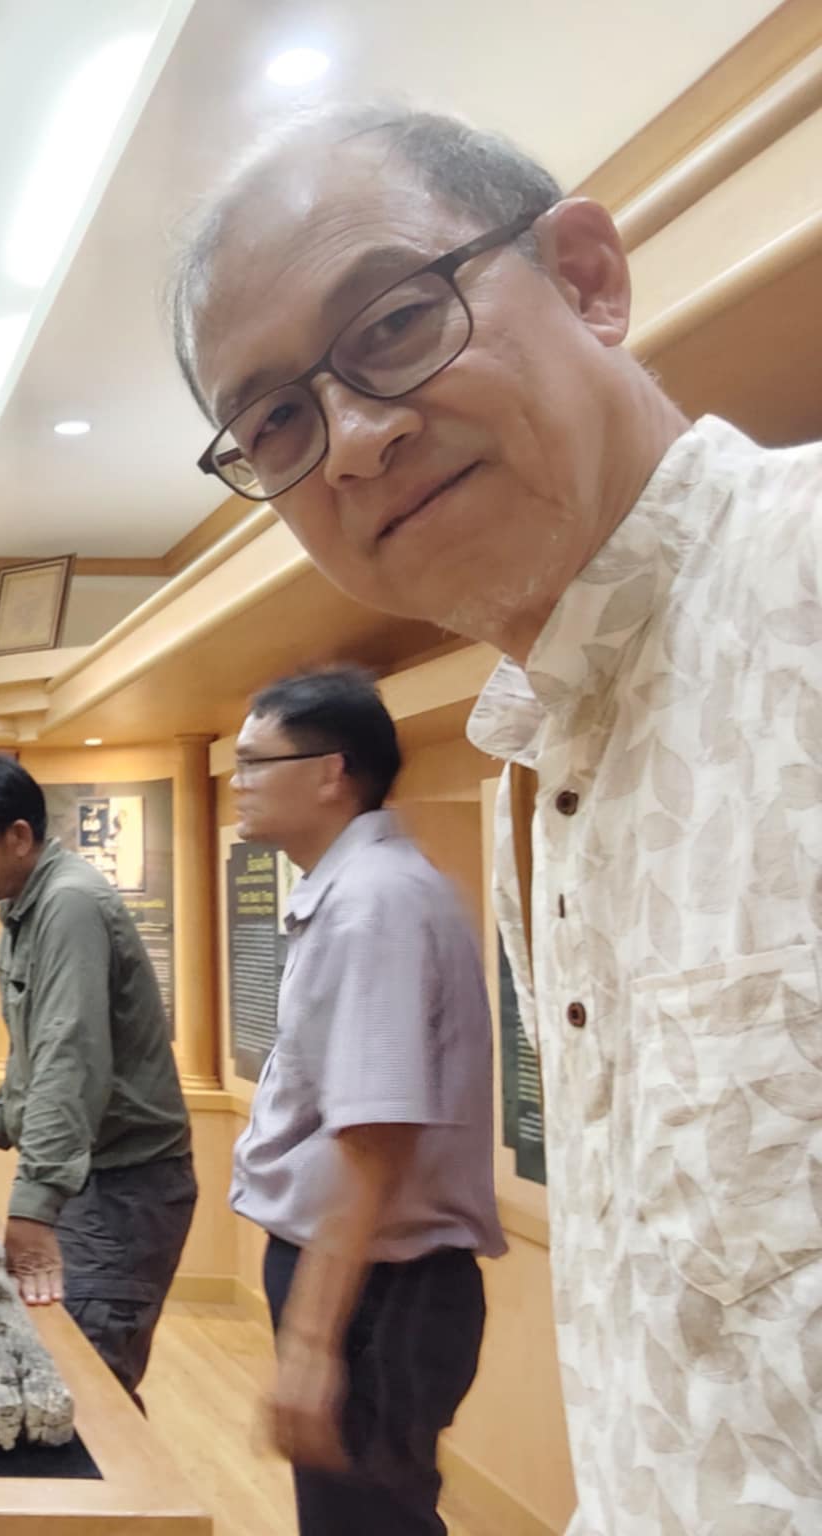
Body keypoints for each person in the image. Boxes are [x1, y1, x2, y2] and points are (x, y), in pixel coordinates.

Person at [170, 104, 822, 1531]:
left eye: (397, 324)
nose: (353, 442)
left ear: (586, 278)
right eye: (276, 421)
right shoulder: (532, 757)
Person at [229, 669, 502, 1534]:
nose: (237, 782)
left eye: (255, 762)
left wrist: (315, 1342)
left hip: (383, 1288)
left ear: (330, 773)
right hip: (366, 1277)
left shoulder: (373, 902)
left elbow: (375, 1135)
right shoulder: (358, 890)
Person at [0, 752, 194, 1396]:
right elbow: (36, 1049)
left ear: (18, 836)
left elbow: (69, 1057)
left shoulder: (69, 903)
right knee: (61, 1377)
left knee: (85, 1391)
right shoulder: (28, 905)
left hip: (121, 1186)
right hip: (89, 1177)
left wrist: (34, 1204)